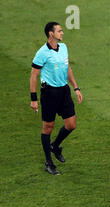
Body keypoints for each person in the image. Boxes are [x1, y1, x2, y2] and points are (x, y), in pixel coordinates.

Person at [30, 22, 83, 175]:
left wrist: (76, 87)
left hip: (64, 91)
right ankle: (49, 162)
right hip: (49, 93)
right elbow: (34, 75)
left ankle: (55, 145)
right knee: (48, 127)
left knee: (71, 124)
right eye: (59, 31)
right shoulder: (42, 53)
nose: (62, 33)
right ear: (50, 34)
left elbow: (67, 68)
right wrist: (34, 99)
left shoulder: (64, 47)